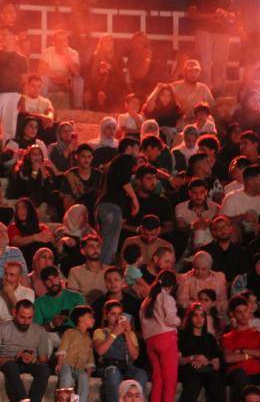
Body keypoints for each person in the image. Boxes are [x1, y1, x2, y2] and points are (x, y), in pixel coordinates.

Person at [0, 299, 50, 402]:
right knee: (11, 365)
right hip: (9, 363)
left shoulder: (40, 331)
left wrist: (33, 359)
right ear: (14, 313)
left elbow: (43, 361)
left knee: (44, 370)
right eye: (22, 317)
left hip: (30, 363)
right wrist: (14, 358)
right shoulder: (2, 328)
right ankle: (23, 399)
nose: (26, 322)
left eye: (30, 318)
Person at [186, 0, 234, 88]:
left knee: (221, 63)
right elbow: (190, 13)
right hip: (203, 31)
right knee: (203, 63)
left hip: (222, 32)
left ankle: (219, 92)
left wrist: (224, 14)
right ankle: (204, 91)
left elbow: (233, 17)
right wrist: (208, 16)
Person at [96, 137, 140, 265]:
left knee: (107, 241)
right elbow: (124, 180)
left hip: (104, 205)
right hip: (112, 206)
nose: (139, 153)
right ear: (129, 148)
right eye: (137, 149)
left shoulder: (113, 162)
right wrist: (135, 200)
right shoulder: (125, 159)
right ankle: (103, 268)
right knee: (110, 244)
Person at [93, 300, 148, 402]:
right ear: (106, 316)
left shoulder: (130, 334)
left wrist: (127, 334)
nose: (117, 317)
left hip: (126, 366)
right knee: (113, 372)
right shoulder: (100, 332)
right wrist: (114, 333)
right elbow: (100, 351)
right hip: (108, 366)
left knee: (141, 374)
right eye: (113, 314)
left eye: (119, 314)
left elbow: (135, 356)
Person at [140, 270, 180, 402]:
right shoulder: (166, 297)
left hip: (150, 341)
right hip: (166, 339)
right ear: (172, 286)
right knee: (170, 379)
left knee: (158, 378)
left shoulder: (146, 301)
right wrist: (180, 321)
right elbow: (171, 319)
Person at [177, 302, 225, 402]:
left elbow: (216, 365)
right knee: (194, 380)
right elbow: (178, 360)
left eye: (202, 316)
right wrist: (193, 357)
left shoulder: (210, 338)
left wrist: (205, 361)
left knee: (216, 380)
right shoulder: (182, 336)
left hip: (206, 370)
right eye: (195, 315)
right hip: (188, 369)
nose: (199, 319)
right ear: (190, 317)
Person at [220, 164, 260, 236]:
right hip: (240, 237)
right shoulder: (232, 198)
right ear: (250, 181)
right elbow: (221, 222)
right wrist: (241, 217)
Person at [55, 305, 95, 401]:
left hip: (80, 368)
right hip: (67, 364)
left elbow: (90, 359)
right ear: (80, 319)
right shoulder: (70, 333)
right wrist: (59, 364)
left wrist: (88, 373)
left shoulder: (89, 339)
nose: (93, 320)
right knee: (66, 376)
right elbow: (62, 349)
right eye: (89, 317)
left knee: (84, 378)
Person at [38, 29, 83, 108]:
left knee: (79, 80)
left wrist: (67, 56)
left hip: (67, 84)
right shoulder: (47, 53)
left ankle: (77, 107)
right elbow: (41, 70)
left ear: (67, 41)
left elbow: (76, 72)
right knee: (43, 78)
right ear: (54, 42)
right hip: (52, 82)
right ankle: (43, 106)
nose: (62, 43)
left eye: (64, 40)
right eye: (59, 40)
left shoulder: (73, 53)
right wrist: (58, 78)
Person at [201, 215, 250, 282]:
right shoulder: (206, 251)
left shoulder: (241, 251)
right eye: (218, 228)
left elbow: (244, 275)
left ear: (231, 229)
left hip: (235, 287)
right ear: (213, 232)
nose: (222, 230)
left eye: (225, 227)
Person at [67, 234, 108, 304]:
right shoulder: (75, 272)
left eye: (98, 246)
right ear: (83, 251)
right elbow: (73, 298)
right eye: (91, 246)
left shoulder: (109, 270)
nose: (95, 249)